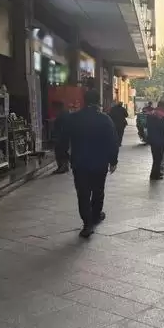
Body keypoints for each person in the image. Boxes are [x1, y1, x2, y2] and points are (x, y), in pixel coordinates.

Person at [58, 90, 119, 238]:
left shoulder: (73, 118)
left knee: (83, 193)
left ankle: (87, 224)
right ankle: (96, 215)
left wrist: (64, 157)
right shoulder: (105, 119)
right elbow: (113, 141)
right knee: (98, 190)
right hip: (100, 162)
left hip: (80, 163)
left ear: (84, 101)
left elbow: (63, 139)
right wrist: (113, 160)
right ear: (98, 102)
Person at [146, 100, 164, 180]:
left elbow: (147, 126)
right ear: (162, 106)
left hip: (152, 139)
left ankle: (156, 173)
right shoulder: (162, 116)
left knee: (155, 158)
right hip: (160, 140)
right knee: (158, 158)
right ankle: (155, 175)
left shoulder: (151, 114)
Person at [52, 101, 70, 174]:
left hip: (62, 137)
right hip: (65, 137)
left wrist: (57, 137)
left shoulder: (62, 116)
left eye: (54, 108)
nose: (54, 109)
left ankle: (62, 167)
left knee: (60, 152)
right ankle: (64, 167)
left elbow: (61, 128)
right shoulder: (66, 114)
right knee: (64, 152)